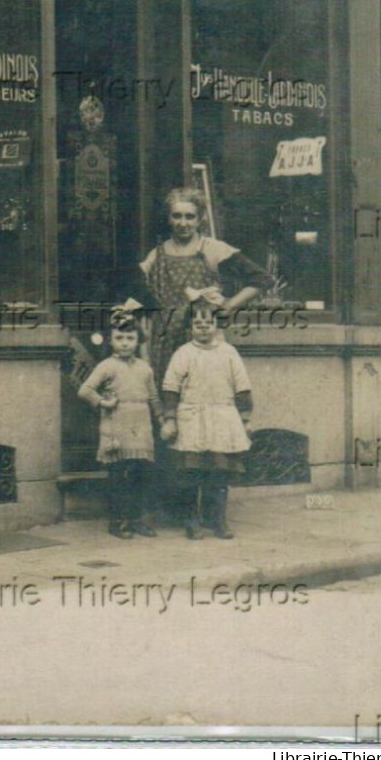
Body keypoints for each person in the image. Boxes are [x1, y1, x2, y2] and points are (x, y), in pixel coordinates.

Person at [139, 186, 270, 385]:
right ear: (168, 218)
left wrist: (228, 306)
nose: (183, 223)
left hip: (202, 337)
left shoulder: (212, 249)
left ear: (200, 219)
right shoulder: (157, 254)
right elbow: (137, 289)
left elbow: (262, 279)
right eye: (176, 216)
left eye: (190, 217)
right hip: (163, 340)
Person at [160, 289, 254, 540]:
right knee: (192, 474)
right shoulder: (184, 354)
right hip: (192, 418)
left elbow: (242, 387)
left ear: (216, 324)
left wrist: (245, 420)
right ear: (190, 327)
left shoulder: (229, 353)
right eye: (197, 323)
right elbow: (170, 388)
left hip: (223, 418)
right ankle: (192, 520)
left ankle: (218, 520)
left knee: (219, 474)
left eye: (208, 323)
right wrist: (170, 419)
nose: (203, 327)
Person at [77, 302, 163, 539]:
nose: (125, 343)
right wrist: (102, 402)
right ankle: (117, 521)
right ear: (111, 340)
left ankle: (136, 520)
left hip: (141, 427)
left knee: (140, 476)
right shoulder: (107, 366)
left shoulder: (145, 368)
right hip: (117, 427)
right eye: (119, 338)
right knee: (119, 477)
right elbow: (85, 390)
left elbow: (154, 397)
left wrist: (162, 420)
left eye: (130, 338)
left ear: (137, 340)